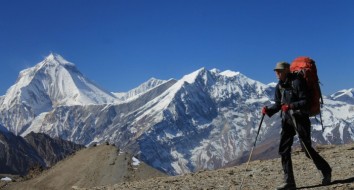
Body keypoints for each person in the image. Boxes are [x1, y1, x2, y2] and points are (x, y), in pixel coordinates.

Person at [262, 61, 332, 190]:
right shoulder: (279, 86)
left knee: (307, 150)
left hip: (300, 119)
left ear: (286, 71)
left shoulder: (298, 82)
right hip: (287, 120)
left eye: (279, 71)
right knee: (283, 149)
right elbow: (278, 104)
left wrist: (291, 106)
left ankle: (326, 171)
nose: (277, 73)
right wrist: (268, 110)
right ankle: (289, 182)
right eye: (276, 71)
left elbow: (305, 101)